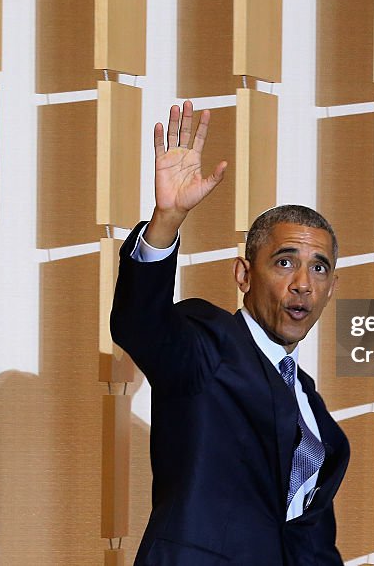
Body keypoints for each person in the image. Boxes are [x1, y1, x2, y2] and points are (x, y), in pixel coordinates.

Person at [111, 100, 350, 565]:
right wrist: (166, 221)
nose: (303, 283)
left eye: (318, 268)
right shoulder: (208, 346)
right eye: (285, 262)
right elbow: (140, 323)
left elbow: (309, 541)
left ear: (330, 288)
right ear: (244, 274)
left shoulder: (311, 404)